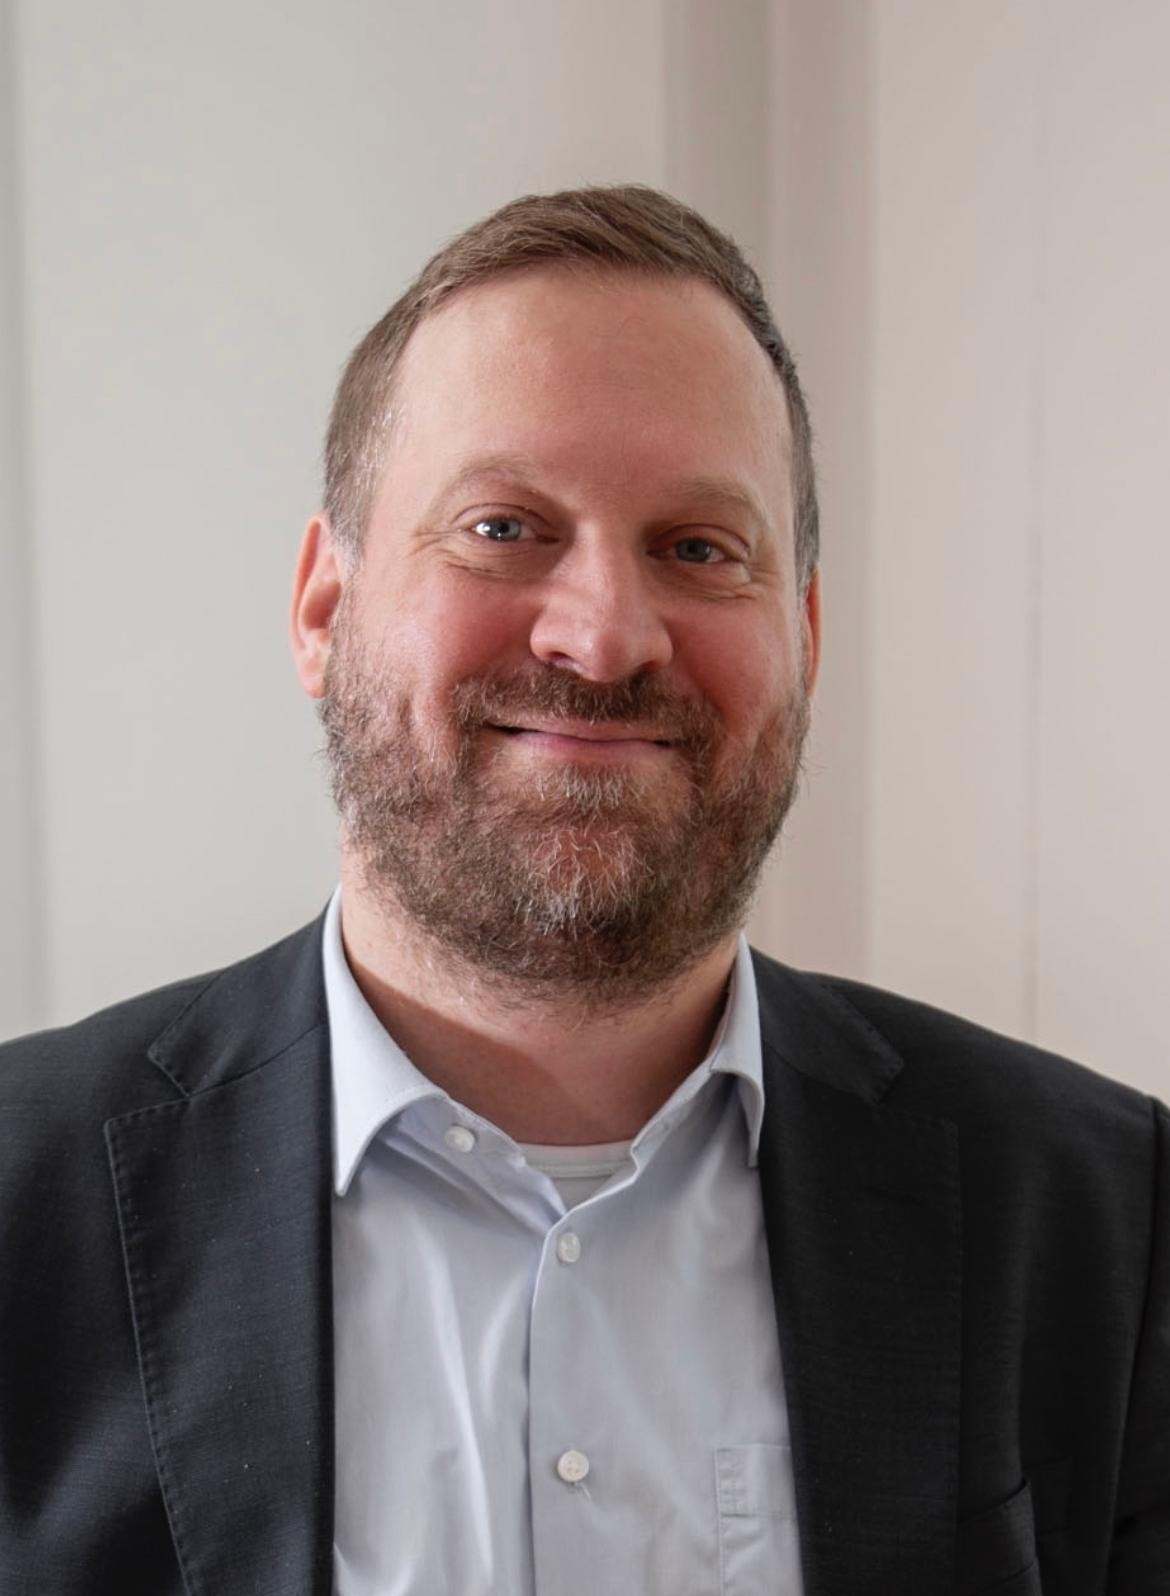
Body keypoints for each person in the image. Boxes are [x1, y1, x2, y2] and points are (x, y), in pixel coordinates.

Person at [0, 186, 1165, 1596]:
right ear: (324, 610)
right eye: (503, 527)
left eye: (699, 548)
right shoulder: (21, 1201)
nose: (605, 638)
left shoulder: (1110, 1221)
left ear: (802, 638)